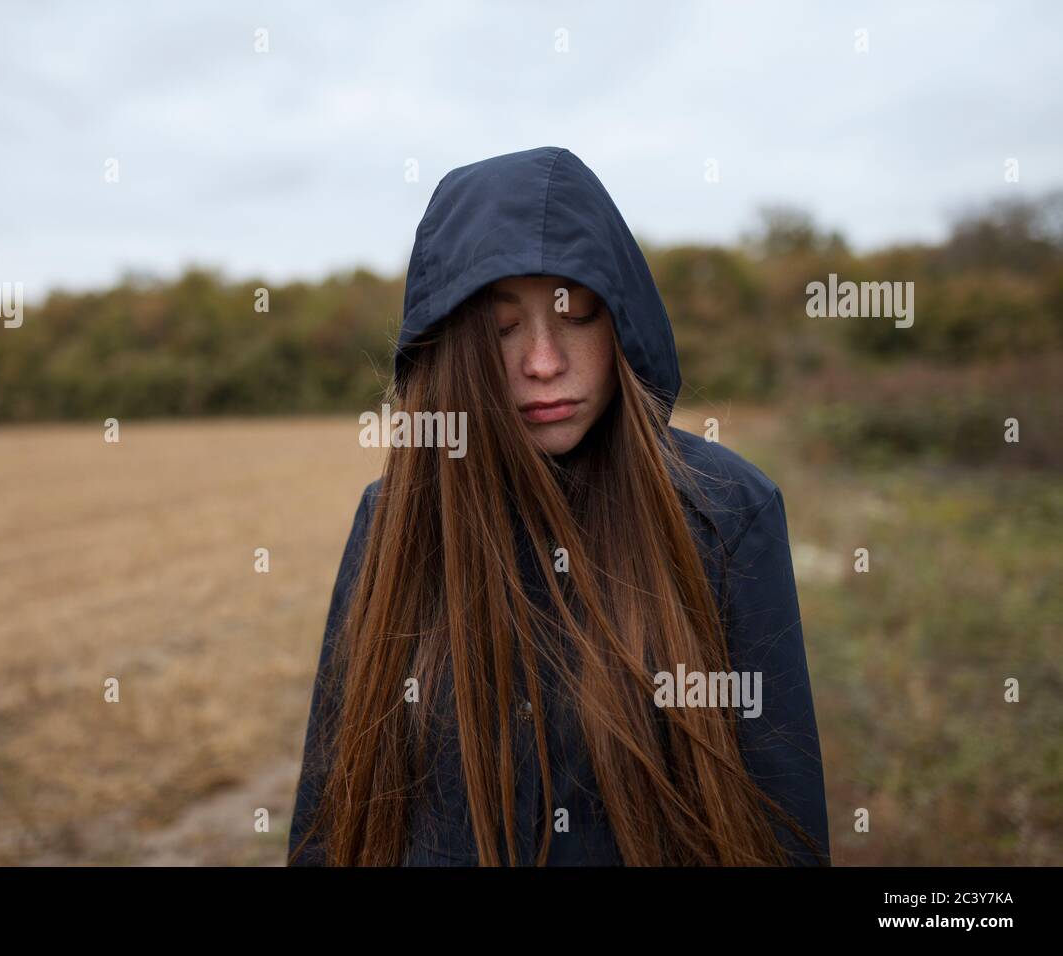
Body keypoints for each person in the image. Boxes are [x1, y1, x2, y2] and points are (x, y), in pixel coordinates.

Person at [287, 146, 830, 866]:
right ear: (452, 347)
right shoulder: (395, 515)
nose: (543, 362)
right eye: (502, 329)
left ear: (623, 324)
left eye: (576, 316)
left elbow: (780, 821)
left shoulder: (726, 511)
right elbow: (333, 820)